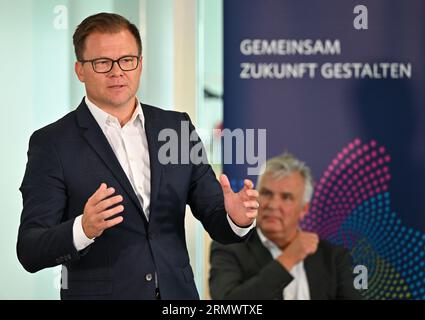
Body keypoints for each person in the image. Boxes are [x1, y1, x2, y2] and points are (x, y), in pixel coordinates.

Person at [17, 12, 259, 300]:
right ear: (80, 70)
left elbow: (216, 219)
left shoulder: (176, 128)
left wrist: (237, 219)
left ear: (140, 64)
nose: (117, 72)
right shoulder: (52, 143)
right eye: (102, 63)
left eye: (126, 60)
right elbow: (30, 250)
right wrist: (83, 228)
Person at [209, 153, 362, 300]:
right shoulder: (230, 248)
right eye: (266, 193)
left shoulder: (333, 257)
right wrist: (288, 259)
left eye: (286, 197)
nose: (273, 205)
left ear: (304, 209)